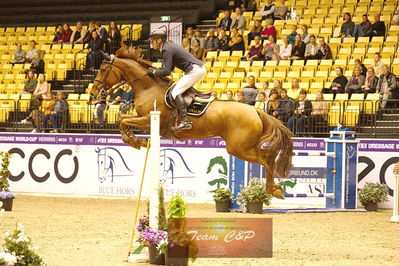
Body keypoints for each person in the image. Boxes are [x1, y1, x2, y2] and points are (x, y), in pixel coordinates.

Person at [147, 29, 206, 131]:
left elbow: (167, 70)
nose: (151, 43)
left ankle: (185, 121)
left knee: (175, 92)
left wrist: (154, 72)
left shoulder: (166, 49)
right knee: (176, 88)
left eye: (152, 40)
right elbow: (171, 67)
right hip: (196, 69)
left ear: (159, 40)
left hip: (194, 70)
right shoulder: (167, 46)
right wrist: (158, 70)